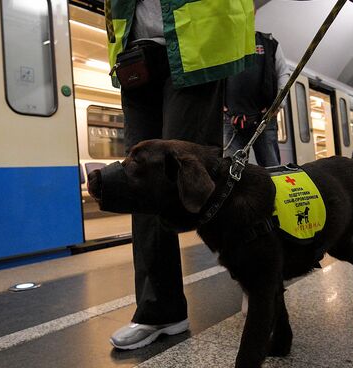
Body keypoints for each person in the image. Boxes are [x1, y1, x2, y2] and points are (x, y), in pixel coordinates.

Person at [104, 0, 255, 350]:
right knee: (140, 181)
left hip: (197, 48)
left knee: (200, 180)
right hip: (135, 51)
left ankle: (257, 279)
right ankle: (160, 310)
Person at [222, 30, 291, 167]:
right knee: (231, 169)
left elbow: (283, 73)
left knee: (271, 167)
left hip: (264, 119)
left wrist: (278, 104)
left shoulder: (268, 43)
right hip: (232, 120)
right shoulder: (223, 43)